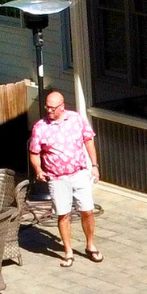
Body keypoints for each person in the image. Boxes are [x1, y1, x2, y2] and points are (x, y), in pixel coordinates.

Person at [28, 90, 101, 267]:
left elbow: (88, 140)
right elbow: (34, 152)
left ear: (62, 107)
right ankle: (68, 251)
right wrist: (38, 169)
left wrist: (94, 165)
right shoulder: (41, 127)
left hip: (79, 173)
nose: (49, 111)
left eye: (53, 108)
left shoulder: (76, 119)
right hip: (57, 178)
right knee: (63, 214)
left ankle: (90, 245)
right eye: (47, 107)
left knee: (87, 210)